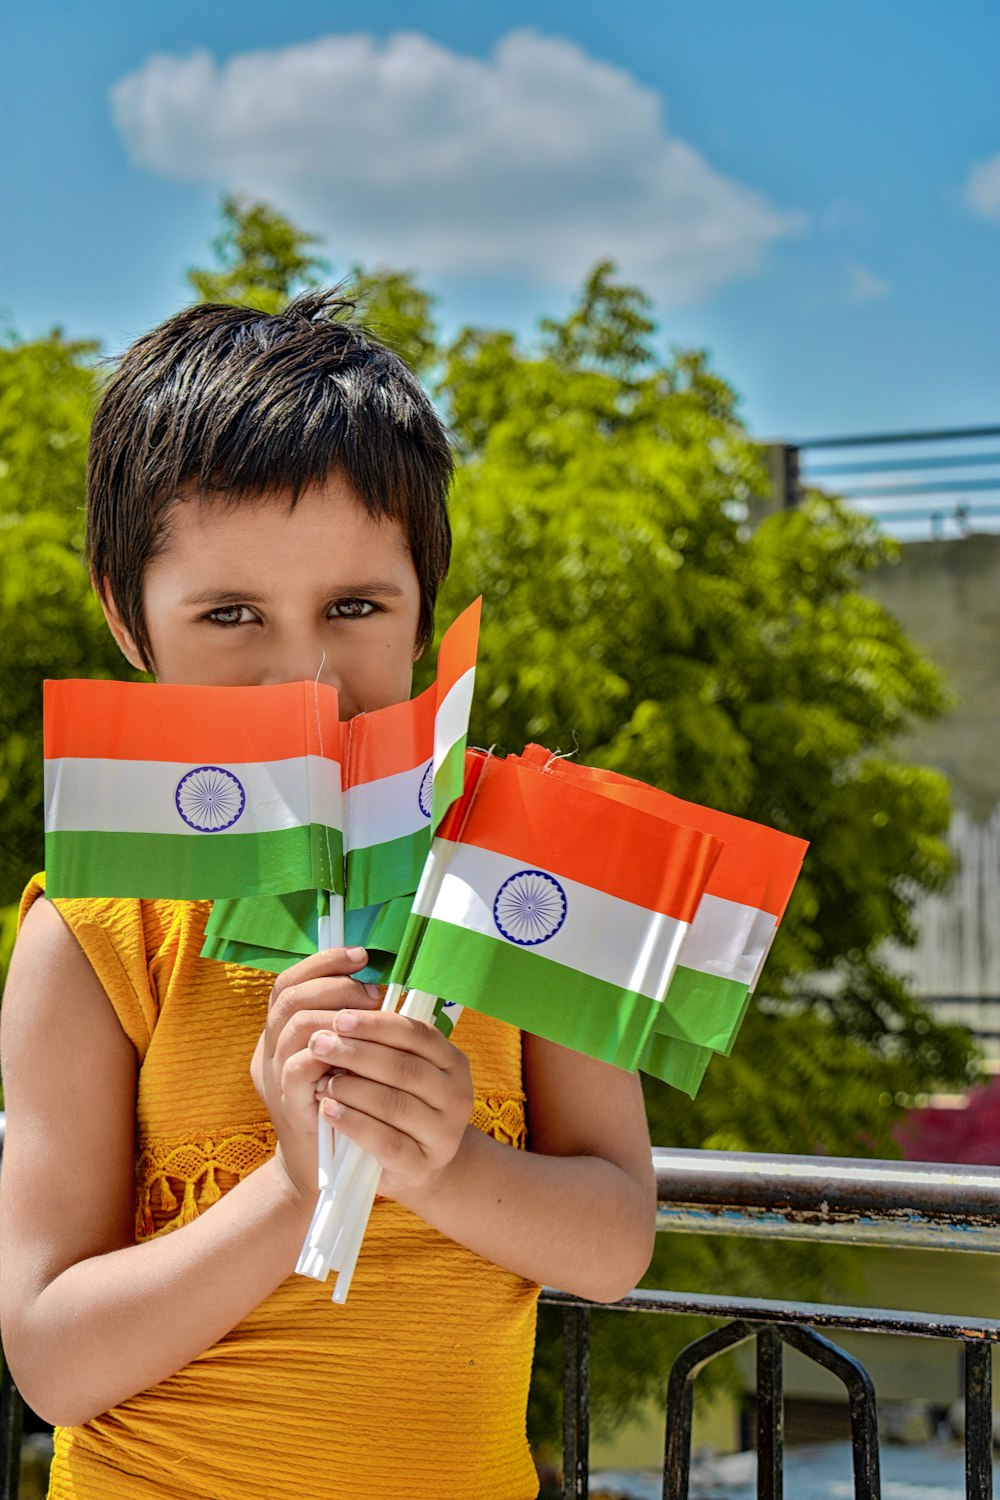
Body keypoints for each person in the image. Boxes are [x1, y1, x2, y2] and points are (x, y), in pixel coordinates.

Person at [0, 292, 656, 1500]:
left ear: (425, 602)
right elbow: (51, 1359)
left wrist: (443, 1162)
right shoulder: (89, 931)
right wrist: (294, 1184)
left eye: (354, 608)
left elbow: (614, 1242)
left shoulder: (518, 878)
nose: (302, 675)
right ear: (124, 615)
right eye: (229, 614)